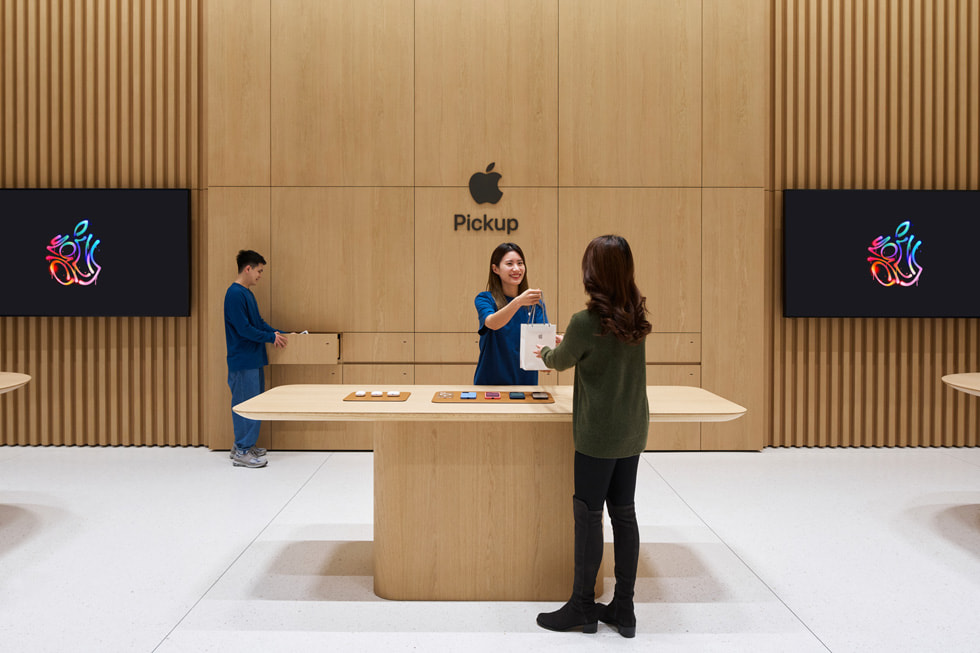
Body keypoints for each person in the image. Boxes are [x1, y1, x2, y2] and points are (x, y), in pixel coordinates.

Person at [533, 235, 652, 638]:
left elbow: (559, 361)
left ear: (593, 273)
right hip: (631, 432)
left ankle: (582, 606)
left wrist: (546, 352)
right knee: (625, 514)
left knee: (588, 517)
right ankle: (625, 609)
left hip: (598, 438)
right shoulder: (634, 316)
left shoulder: (585, 322)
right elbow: (602, 354)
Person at [224, 249, 288, 468]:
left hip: (253, 359)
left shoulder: (247, 293)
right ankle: (242, 450)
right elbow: (243, 329)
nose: (260, 275)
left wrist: (276, 334)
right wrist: (269, 337)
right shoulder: (234, 294)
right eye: (259, 271)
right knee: (245, 405)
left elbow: (258, 323)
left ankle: (243, 446)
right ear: (248, 268)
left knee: (253, 404)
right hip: (243, 361)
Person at [474, 242, 549, 385]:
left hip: (526, 386)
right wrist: (518, 302)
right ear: (495, 269)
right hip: (490, 385)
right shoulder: (484, 299)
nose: (516, 269)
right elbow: (492, 323)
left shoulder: (536, 305)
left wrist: (547, 360)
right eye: (509, 264)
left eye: (520, 263)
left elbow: (541, 346)